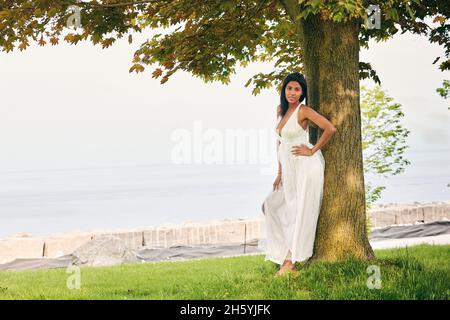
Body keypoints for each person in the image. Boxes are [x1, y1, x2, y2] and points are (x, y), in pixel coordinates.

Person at [258, 72, 336, 276]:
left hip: (305, 166)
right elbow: (280, 143)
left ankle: (290, 261)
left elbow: (330, 128)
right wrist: (279, 172)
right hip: (288, 168)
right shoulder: (280, 111)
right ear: (284, 90)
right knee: (270, 206)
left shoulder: (304, 111)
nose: (292, 93)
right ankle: (284, 254)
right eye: (289, 88)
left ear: (302, 92)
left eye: (297, 89)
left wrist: (312, 150)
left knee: (299, 211)